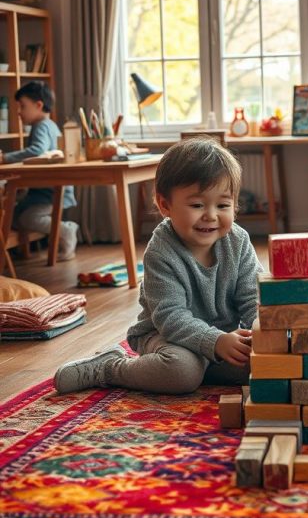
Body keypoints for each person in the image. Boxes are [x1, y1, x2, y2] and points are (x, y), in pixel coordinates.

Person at [54, 138, 263, 394]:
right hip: (166, 335)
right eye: (197, 205)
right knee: (182, 372)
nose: (211, 215)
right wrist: (215, 340)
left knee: (265, 363)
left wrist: (263, 332)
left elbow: (254, 299)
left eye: (223, 205)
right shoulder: (161, 250)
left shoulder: (238, 241)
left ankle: (202, 369)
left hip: (221, 339)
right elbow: (170, 318)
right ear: (165, 205)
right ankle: (110, 367)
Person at [0, 81, 78, 260]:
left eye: (22, 106)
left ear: (38, 105)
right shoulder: (49, 124)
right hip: (48, 190)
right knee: (17, 216)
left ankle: (66, 230)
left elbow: (38, 150)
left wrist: (5, 158)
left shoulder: (41, 125)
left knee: (24, 218)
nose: (18, 111)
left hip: (49, 192)